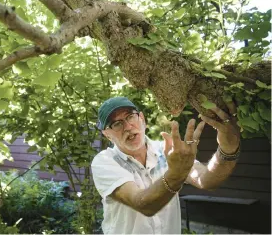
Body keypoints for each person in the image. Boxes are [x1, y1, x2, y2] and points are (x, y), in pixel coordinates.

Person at [91, 96, 241, 234]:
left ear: (142, 119)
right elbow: (143, 204)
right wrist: (176, 173)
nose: (128, 127)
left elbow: (207, 180)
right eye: (117, 124)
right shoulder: (105, 162)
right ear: (107, 134)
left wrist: (228, 149)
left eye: (130, 116)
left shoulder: (167, 151)